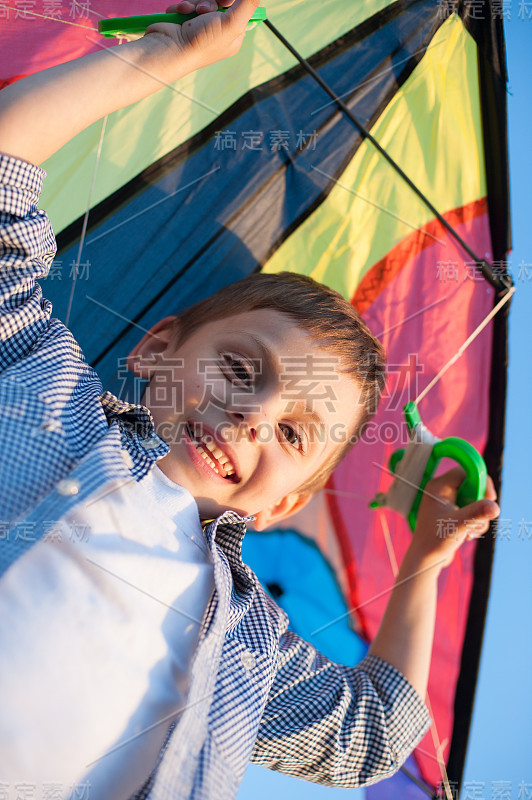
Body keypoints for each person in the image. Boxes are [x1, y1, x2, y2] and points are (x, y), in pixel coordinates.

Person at [0, 1, 500, 799]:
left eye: (297, 434)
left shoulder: (249, 640)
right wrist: (164, 61)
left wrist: (425, 561)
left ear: (286, 503)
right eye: (240, 369)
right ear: (157, 349)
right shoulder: (45, 395)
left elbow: (370, 731)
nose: (252, 416)